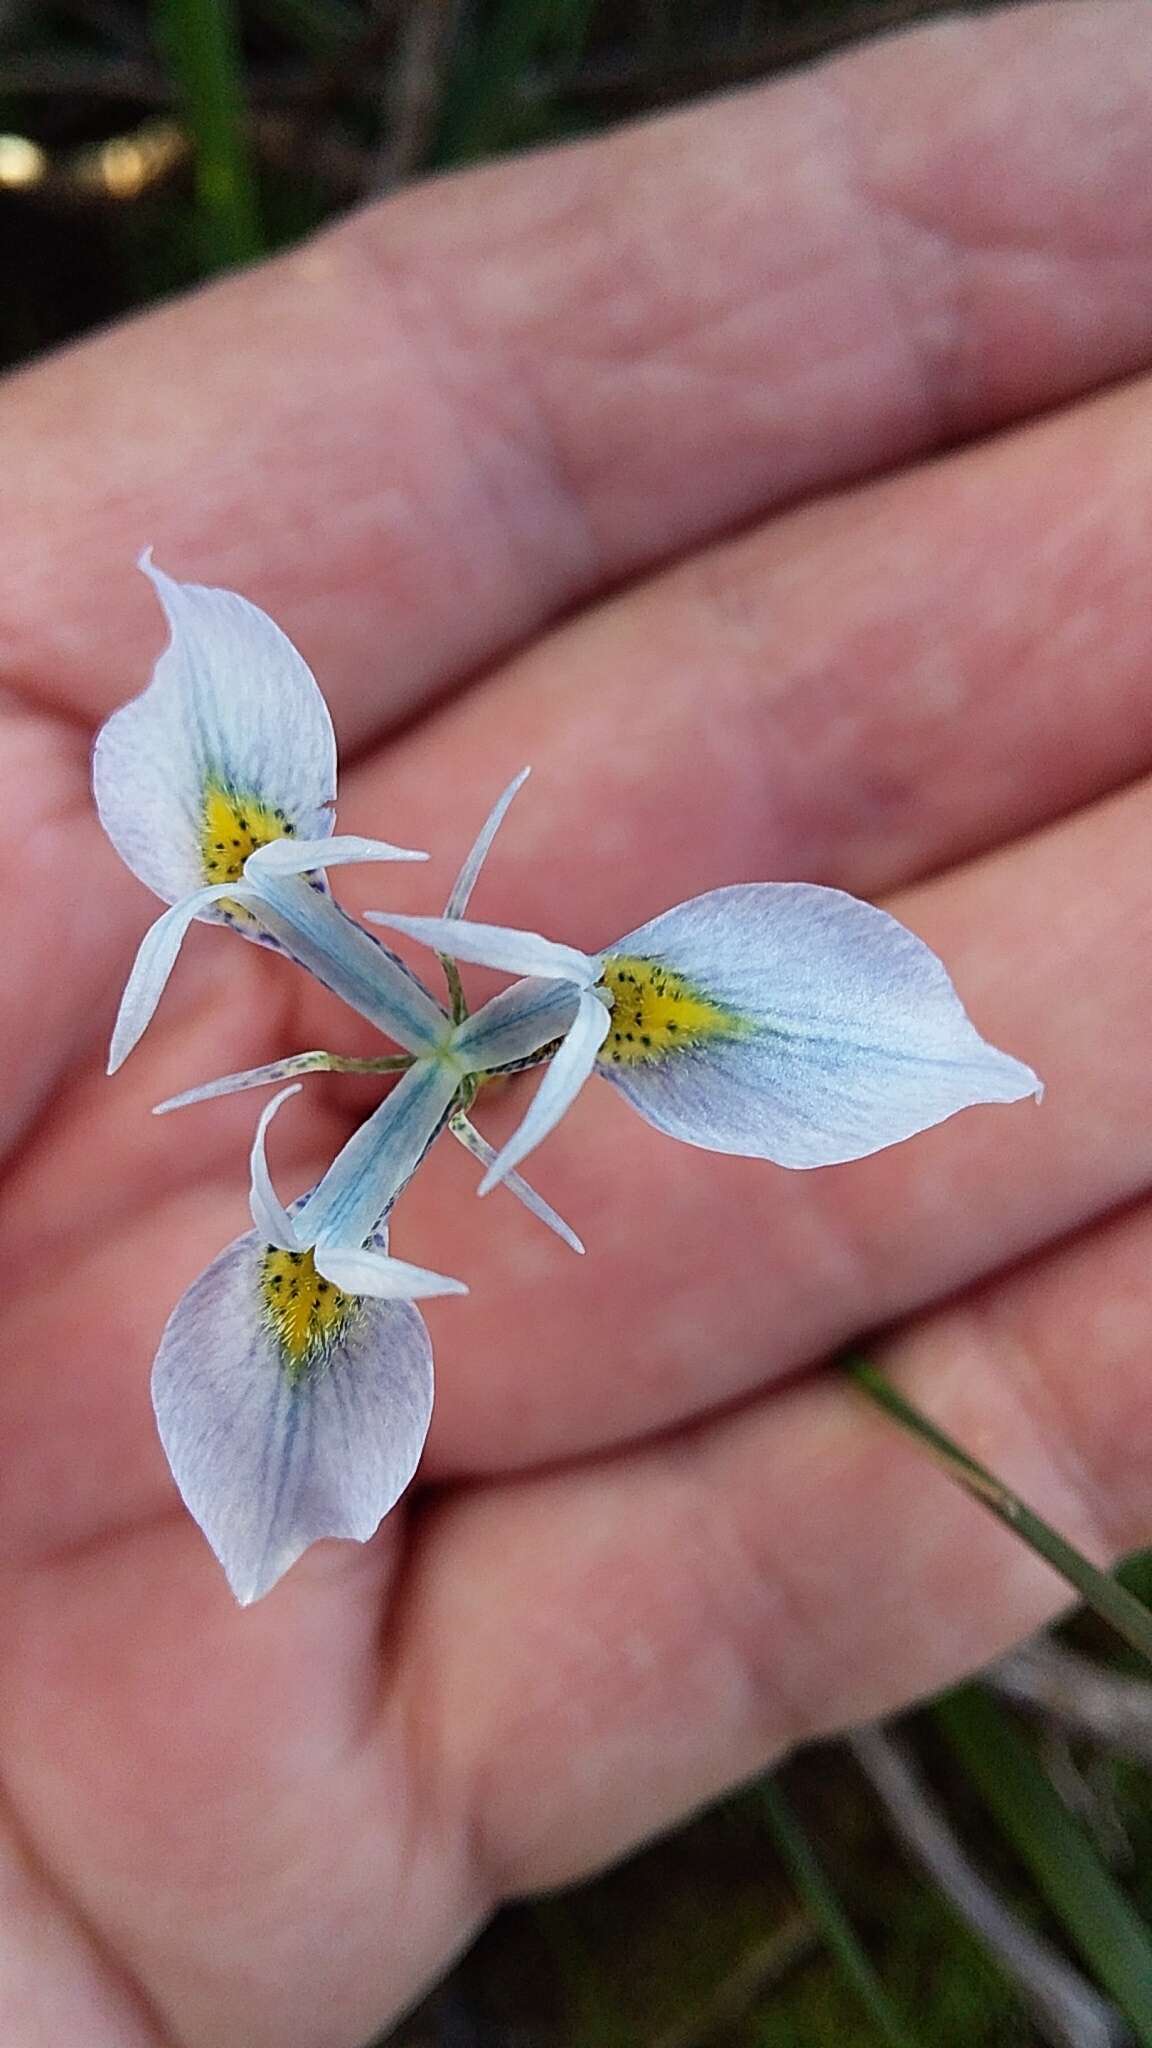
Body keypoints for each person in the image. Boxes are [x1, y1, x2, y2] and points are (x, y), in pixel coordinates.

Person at [2, 2, 1151, 2039]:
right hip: (442, 1039)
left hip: (524, 1007)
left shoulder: (522, 999)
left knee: (613, 1018)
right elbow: (203, 715)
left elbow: (858, 1061)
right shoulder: (333, 1037)